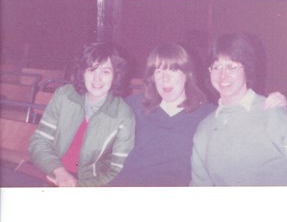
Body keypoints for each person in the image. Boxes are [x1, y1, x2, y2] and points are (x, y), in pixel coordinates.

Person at [29, 42, 135, 187]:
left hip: (91, 185)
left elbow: (117, 170)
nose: (97, 78)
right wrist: (60, 174)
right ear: (82, 72)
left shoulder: (124, 115)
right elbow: (39, 142)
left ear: (115, 75)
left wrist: (78, 186)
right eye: (91, 70)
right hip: (51, 172)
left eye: (105, 71)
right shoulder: (63, 95)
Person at [110, 42, 215, 186]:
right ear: (152, 77)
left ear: (186, 75)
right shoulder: (134, 105)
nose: (165, 78)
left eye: (172, 70)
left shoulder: (207, 115)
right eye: (158, 71)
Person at [191, 33, 287, 186]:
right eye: (216, 67)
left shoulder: (273, 111)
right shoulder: (204, 129)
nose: (222, 75)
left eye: (231, 66)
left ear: (246, 69)